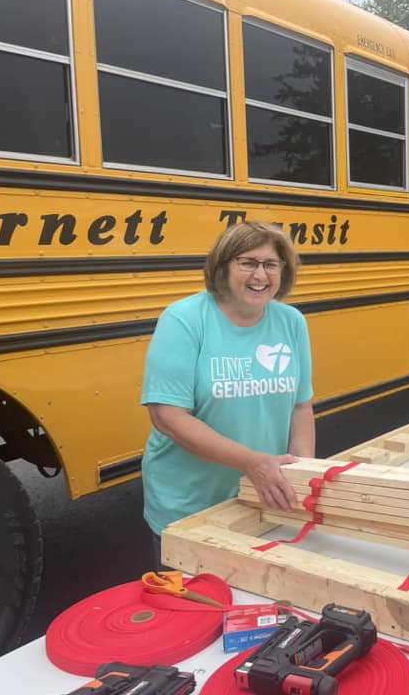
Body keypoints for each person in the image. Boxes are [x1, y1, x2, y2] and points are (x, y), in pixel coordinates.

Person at [141, 221, 315, 563]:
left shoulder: (291, 322)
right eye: (247, 262)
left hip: (260, 497)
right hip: (189, 506)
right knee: (196, 609)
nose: (260, 275)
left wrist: (302, 474)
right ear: (222, 267)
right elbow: (168, 417)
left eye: (271, 264)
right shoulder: (185, 319)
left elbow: (300, 407)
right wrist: (254, 464)